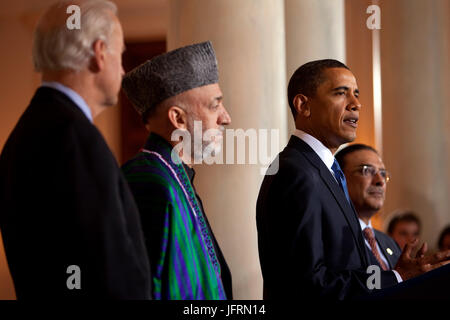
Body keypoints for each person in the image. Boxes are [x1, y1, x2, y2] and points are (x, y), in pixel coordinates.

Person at [256, 59, 450, 300]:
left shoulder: (322, 170)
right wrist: (397, 277)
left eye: (356, 95)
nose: (356, 104)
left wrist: (396, 276)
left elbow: (345, 271)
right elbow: (309, 286)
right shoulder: (296, 172)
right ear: (303, 105)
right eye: (341, 93)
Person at [0, 0, 151, 299]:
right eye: (120, 56)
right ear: (98, 54)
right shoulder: (77, 140)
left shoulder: (23, 132)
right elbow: (109, 275)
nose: (123, 71)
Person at [121, 41, 233, 300]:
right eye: (215, 105)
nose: (226, 118)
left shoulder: (174, 175)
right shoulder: (148, 181)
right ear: (178, 119)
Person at [335, 144, 400, 270]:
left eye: (382, 173)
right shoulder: (333, 240)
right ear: (339, 179)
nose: (380, 181)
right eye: (366, 170)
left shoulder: (390, 243)